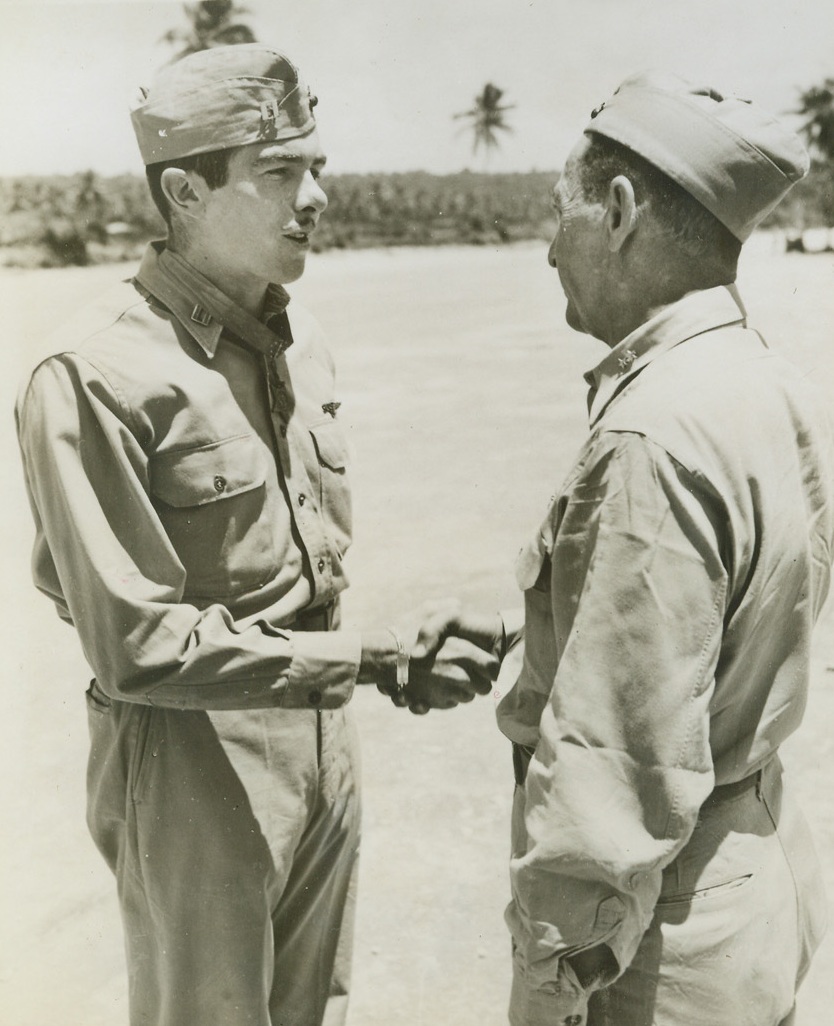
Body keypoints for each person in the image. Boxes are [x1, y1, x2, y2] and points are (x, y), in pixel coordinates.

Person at [15, 45, 497, 1026]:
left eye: (315, 166)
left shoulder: (297, 339)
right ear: (186, 192)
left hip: (321, 732)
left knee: (315, 1009)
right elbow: (139, 648)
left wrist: (371, 662)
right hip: (193, 758)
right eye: (279, 173)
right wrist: (375, 659)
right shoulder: (95, 375)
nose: (315, 194)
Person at [430, 73, 834, 1026]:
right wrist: (540, 632)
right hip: (750, 874)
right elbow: (720, 622)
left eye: (557, 214)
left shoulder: (649, 434)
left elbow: (615, 771)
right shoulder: (761, 380)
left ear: (616, 213)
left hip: (654, 942)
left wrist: (552, 979)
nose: (545, 247)